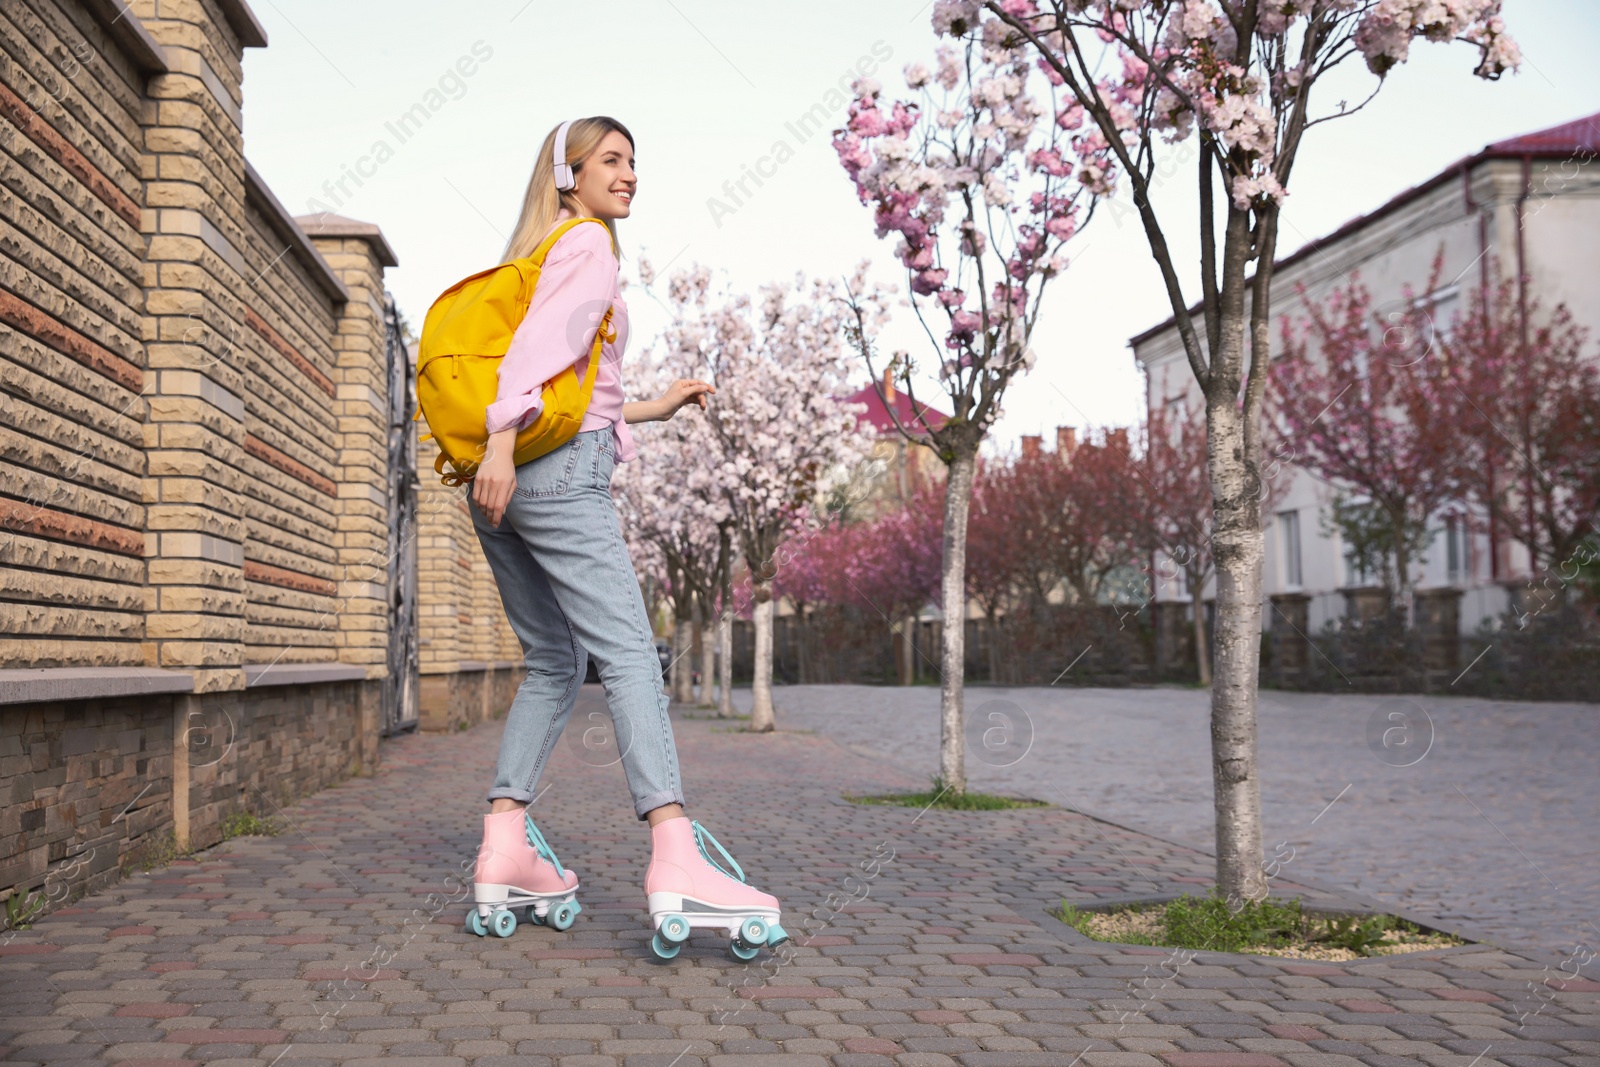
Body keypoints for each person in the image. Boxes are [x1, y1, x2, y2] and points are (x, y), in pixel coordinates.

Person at [462, 116, 787, 959]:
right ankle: (676, 853)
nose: (630, 173)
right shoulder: (591, 248)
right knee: (632, 656)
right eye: (611, 160)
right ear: (568, 175)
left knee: (553, 659)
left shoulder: (544, 253)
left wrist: (655, 404)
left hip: (508, 480)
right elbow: (528, 363)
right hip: (547, 470)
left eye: (634, 161)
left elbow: (578, 390)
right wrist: (502, 437)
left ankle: (505, 844)